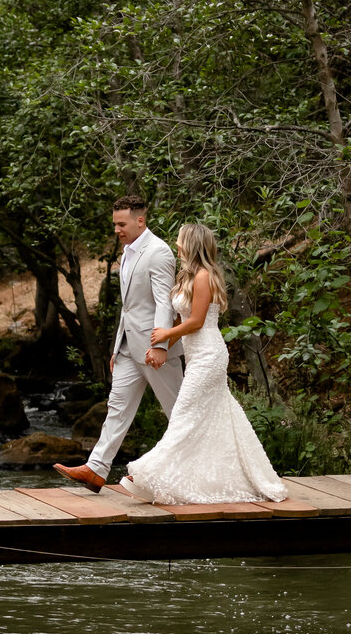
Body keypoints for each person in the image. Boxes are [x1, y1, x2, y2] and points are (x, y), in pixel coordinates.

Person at [119, 223, 287, 506]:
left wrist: (166, 334)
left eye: (180, 239)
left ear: (192, 243)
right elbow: (180, 322)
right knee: (211, 416)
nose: (176, 243)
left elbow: (195, 322)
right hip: (195, 354)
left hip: (209, 355)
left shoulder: (204, 277)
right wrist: (159, 347)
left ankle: (149, 473)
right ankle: (222, 475)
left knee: (184, 414)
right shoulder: (187, 276)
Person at [53, 197, 183, 493]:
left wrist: (161, 344)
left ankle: (190, 469)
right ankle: (96, 470)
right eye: (115, 224)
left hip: (154, 348)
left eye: (121, 224)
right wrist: (116, 348)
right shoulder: (127, 252)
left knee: (178, 412)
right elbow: (128, 308)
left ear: (140, 221)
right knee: (116, 408)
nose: (117, 230)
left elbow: (164, 302)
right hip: (127, 347)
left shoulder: (159, 252)